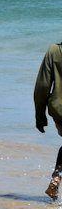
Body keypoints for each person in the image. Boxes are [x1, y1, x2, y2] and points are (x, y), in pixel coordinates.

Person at [34, 41, 62, 199]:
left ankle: (56, 178)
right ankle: (56, 177)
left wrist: (40, 115)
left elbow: (42, 86)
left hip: (59, 110)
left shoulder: (54, 51)